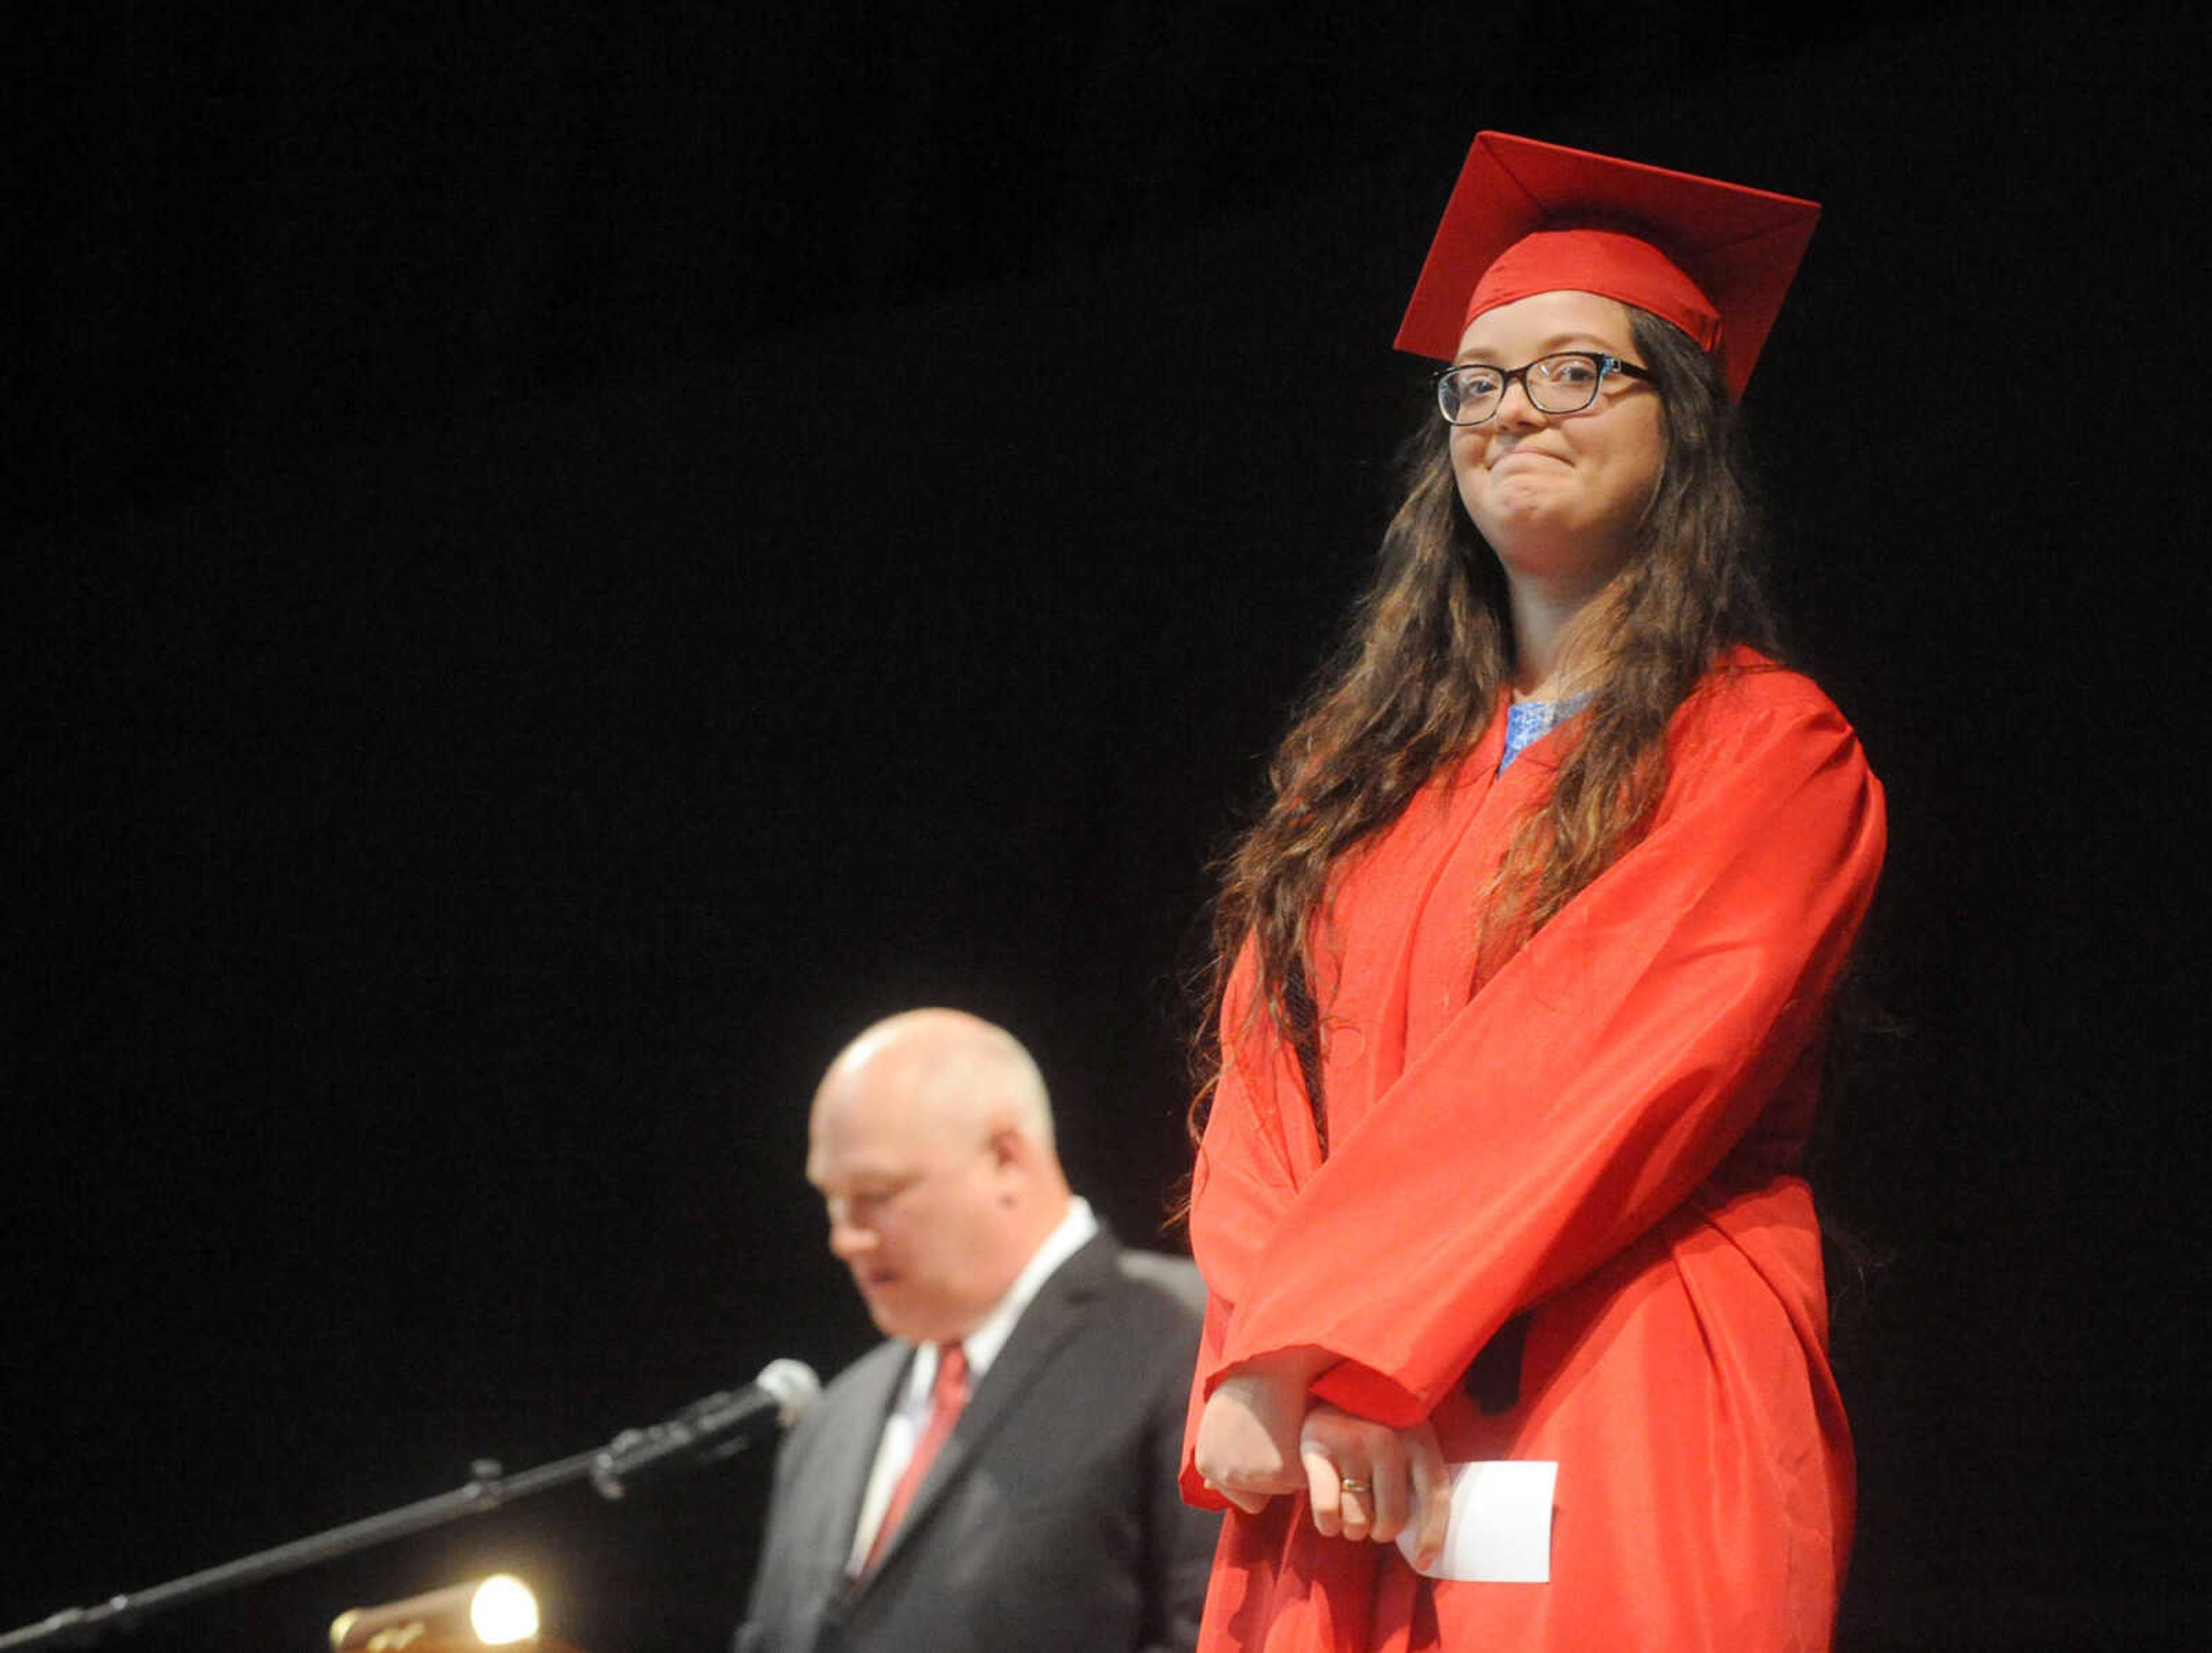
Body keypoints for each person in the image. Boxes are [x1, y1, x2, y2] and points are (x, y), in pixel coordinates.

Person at [1180, 133, 1887, 1651]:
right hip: (1334, 1433)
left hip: (1622, 1368)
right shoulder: (1359, 787)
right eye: (1480, 380)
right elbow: (1259, 1087)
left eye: (1576, 370)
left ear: (1681, 422)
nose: (1513, 408)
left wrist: (1332, 1345)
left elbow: (1595, 1068)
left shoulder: (1768, 746)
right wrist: (1267, 1359)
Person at [736, 1007, 1222, 1653]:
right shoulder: (832, 1417)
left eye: (877, 1194)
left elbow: (1219, 1633)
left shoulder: (1189, 1334)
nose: (844, 1237)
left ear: (1005, 1157)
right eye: (831, 1199)